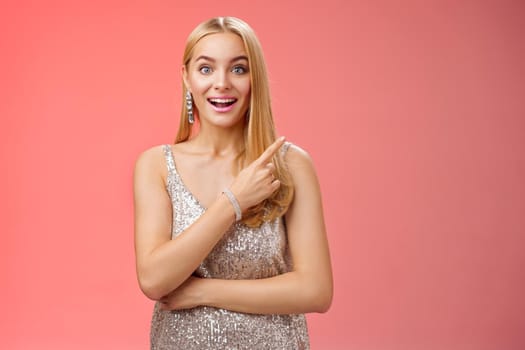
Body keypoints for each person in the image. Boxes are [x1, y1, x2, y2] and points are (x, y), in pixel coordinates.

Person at [133, 16, 333, 349]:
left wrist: (202, 292)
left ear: (256, 79)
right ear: (187, 78)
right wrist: (233, 202)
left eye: (238, 69)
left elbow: (316, 290)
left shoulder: (290, 165)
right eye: (206, 69)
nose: (222, 83)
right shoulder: (156, 165)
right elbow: (154, 279)